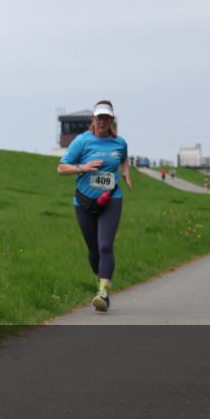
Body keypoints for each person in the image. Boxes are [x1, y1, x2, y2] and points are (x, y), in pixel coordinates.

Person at [57, 100, 133, 312]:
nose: (102, 122)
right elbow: (61, 168)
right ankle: (101, 282)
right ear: (93, 119)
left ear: (111, 121)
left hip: (111, 199)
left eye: (106, 118)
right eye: (99, 118)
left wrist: (126, 172)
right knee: (93, 250)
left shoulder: (119, 143)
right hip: (84, 201)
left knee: (105, 245)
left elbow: (124, 158)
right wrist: (83, 167)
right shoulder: (82, 141)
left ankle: (103, 294)